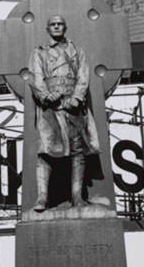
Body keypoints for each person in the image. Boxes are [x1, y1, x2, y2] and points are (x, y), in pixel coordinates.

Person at [27, 15, 100, 211]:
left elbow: (83, 76)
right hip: (50, 108)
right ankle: (42, 197)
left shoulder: (76, 50)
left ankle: (77, 196)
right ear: (47, 28)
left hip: (72, 106)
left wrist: (76, 97)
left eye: (60, 24)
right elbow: (35, 77)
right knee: (46, 150)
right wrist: (46, 96)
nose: (56, 27)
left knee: (77, 151)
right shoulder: (39, 52)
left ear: (65, 27)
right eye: (53, 24)